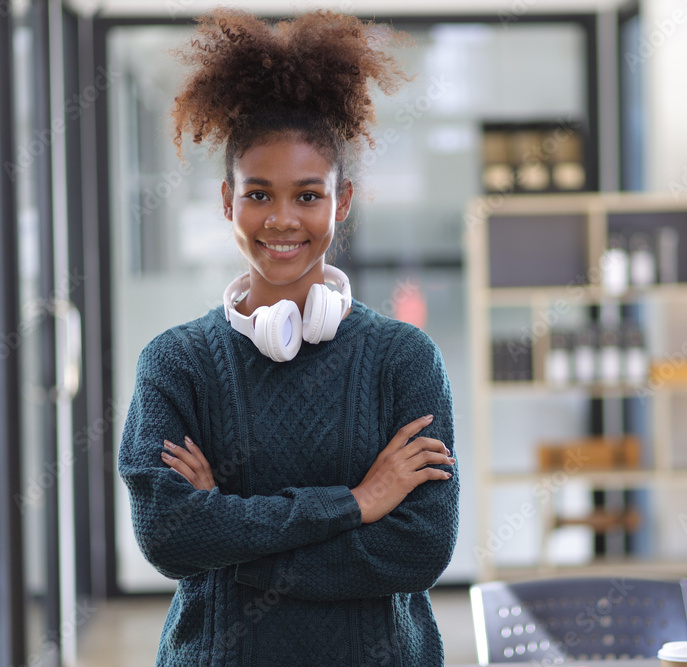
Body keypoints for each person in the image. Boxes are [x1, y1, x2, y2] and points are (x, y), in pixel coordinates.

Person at [117, 9, 459, 666]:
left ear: (344, 199)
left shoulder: (403, 359)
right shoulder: (175, 364)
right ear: (226, 201)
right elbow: (167, 535)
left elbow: (419, 547)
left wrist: (232, 541)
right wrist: (357, 503)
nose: (281, 220)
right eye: (258, 195)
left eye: (307, 195)